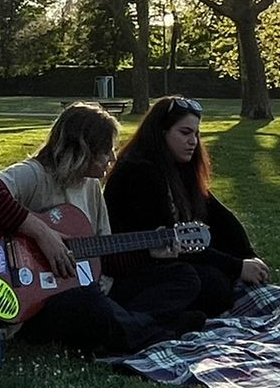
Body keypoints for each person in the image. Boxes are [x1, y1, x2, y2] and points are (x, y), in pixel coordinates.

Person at [0, 103, 203, 354]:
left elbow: (104, 261)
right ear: (83, 148)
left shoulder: (91, 187)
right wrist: (43, 234)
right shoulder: (35, 174)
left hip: (90, 289)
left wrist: (149, 254)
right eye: (106, 150)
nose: (112, 157)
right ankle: (151, 331)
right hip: (40, 303)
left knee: (184, 277)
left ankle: (129, 328)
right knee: (89, 304)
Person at [104, 96, 270, 321]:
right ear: (161, 132)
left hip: (170, 262)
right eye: (185, 133)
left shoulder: (180, 165)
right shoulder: (139, 171)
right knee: (214, 285)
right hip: (134, 267)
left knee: (217, 280)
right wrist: (236, 266)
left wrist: (247, 255)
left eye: (196, 134)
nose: (193, 141)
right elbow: (174, 240)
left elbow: (220, 217)